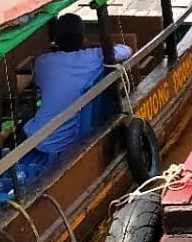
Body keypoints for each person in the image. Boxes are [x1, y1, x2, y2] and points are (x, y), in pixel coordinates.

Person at [22, 13, 132, 157]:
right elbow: (126, 50)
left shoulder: (43, 62)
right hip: (69, 141)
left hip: (35, 139)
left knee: (26, 116)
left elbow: (39, 81)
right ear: (82, 38)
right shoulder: (95, 56)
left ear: (56, 41)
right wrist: (93, 46)